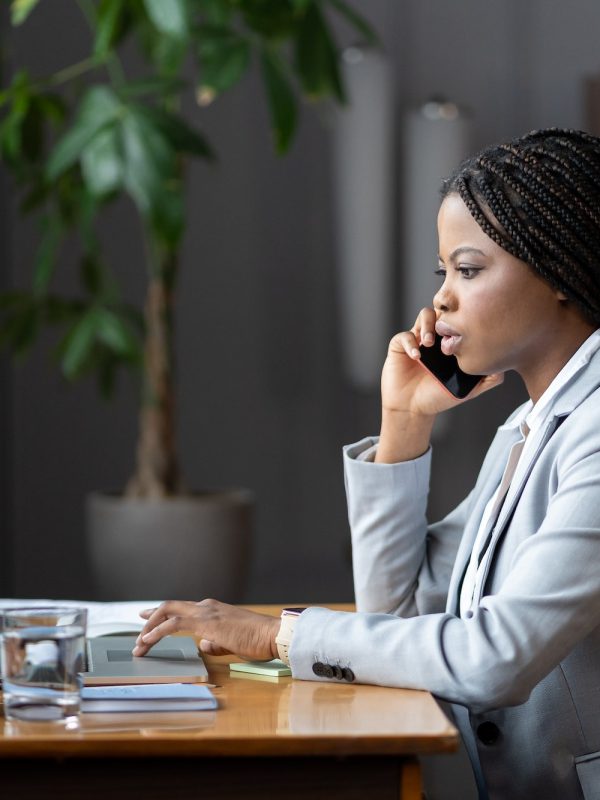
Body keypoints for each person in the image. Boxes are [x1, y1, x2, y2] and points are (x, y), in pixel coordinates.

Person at [132, 128, 600, 800]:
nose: (441, 300)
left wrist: (274, 634)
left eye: (467, 271)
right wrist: (404, 422)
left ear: (560, 271)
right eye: (442, 274)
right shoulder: (529, 425)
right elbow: (399, 614)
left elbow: (497, 658)